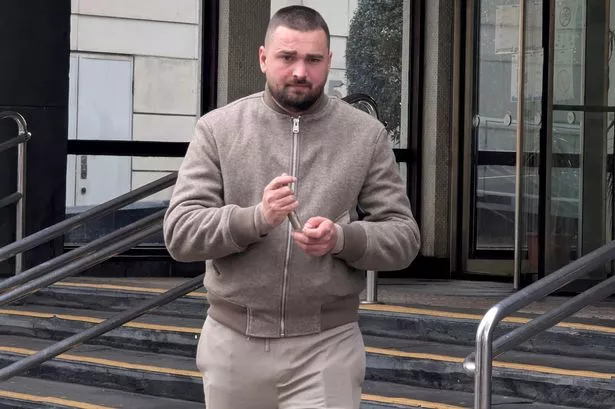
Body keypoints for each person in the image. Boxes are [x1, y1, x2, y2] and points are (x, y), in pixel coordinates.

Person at [163, 5, 420, 409]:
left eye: (313, 60)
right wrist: (255, 219)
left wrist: (342, 239)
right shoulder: (218, 128)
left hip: (328, 346)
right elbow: (181, 233)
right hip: (233, 344)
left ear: (329, 61)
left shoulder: (366, 136)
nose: (301, 71)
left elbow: (404, 237)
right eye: (287, 57)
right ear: (263, 58)